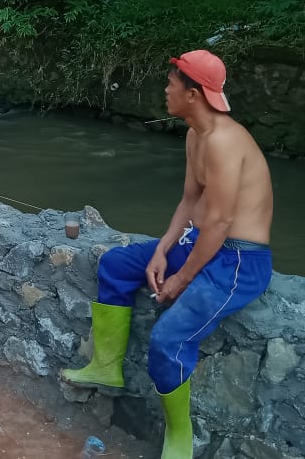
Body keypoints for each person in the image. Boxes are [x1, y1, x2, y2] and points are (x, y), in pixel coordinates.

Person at [61, 49, 273, 459]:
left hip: (238, 261)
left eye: (171, 84)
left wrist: (180, 277)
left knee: (168, 338)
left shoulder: (225, 142)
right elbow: (190, 201)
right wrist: (162, 249)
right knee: (117, 265)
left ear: (193, 94)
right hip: (201, 242)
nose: (165, 90)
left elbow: (221, 223)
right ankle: (106, 368)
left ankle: (179, 436)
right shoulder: (196, 136)